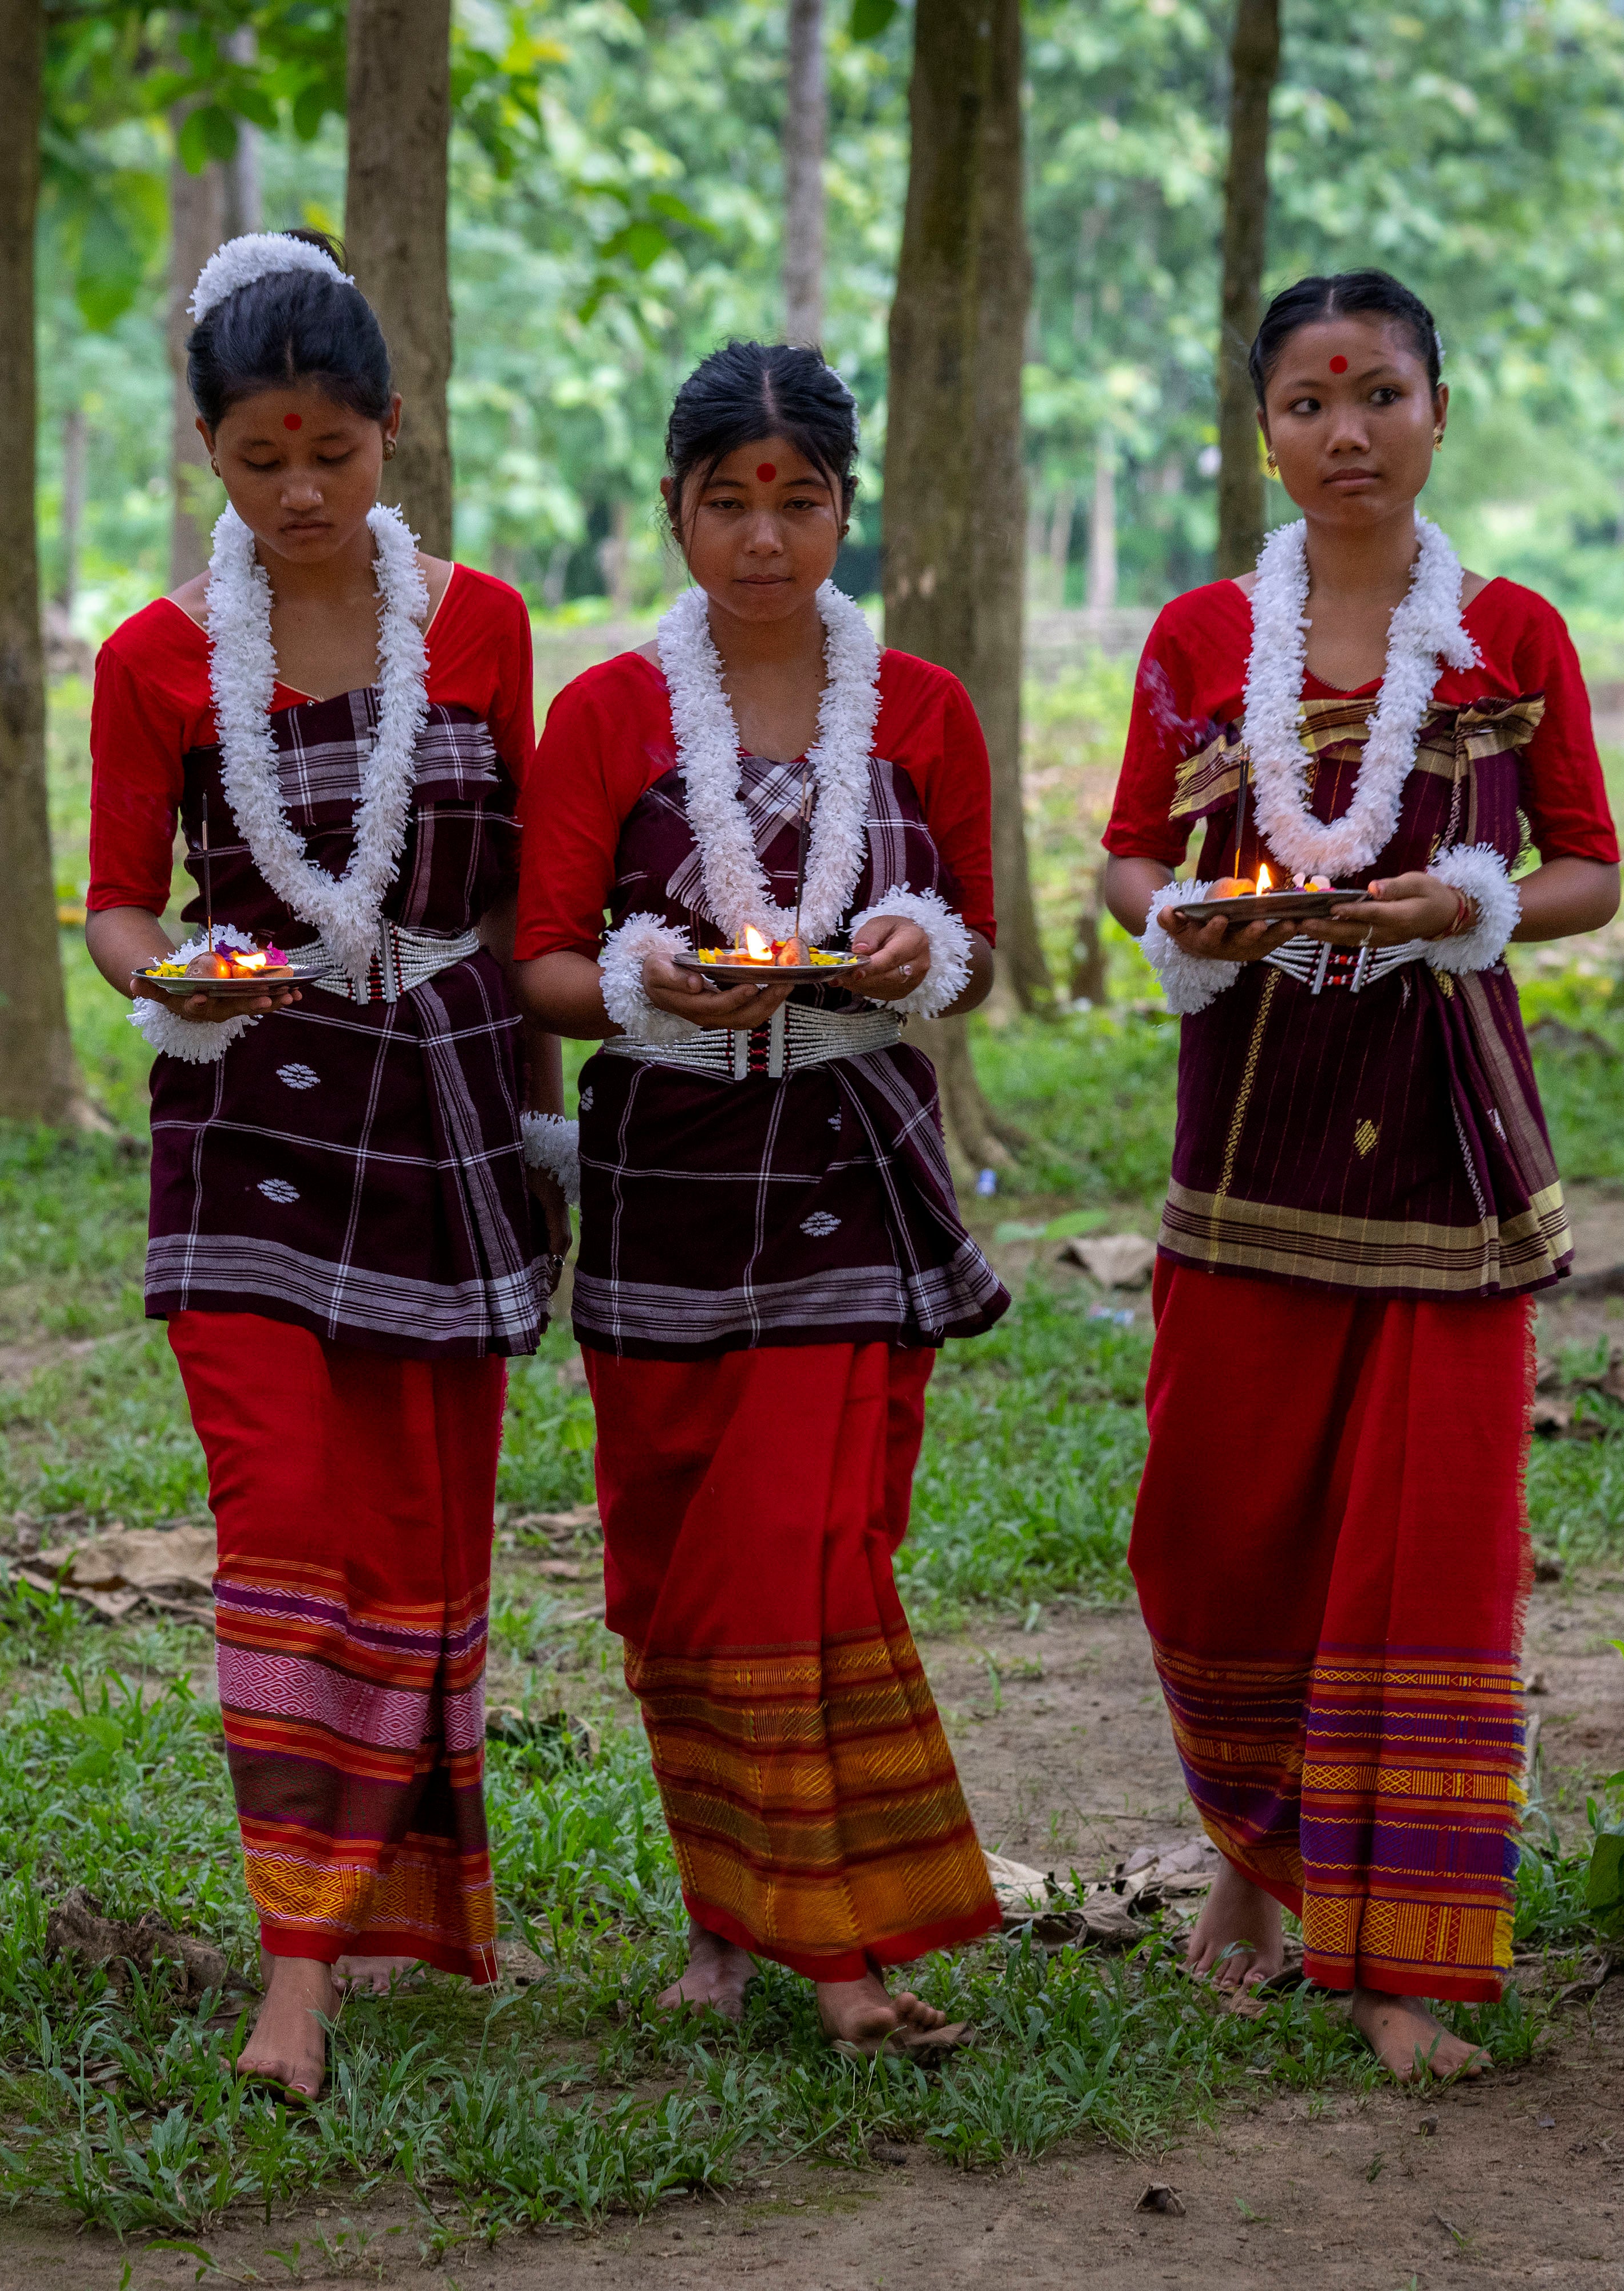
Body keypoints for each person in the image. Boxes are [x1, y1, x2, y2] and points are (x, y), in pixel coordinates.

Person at [1098, 271, 1623, 2082]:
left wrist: (1464, 906)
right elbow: (1121, 864)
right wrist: (1201, 916)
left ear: (1438, 412)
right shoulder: (1192, 640)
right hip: (1248, 1133)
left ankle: (1398, 1962)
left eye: (1382, 395)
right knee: (1213, 1527)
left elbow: (1591, 878)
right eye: (1312, 404)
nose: (1349, 434)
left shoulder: (1512, 638)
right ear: (1265, 431)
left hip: (1450, 1153)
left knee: (1429, 1553)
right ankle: (1254, 1854)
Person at [81, 230, 559, 2101]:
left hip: (444, 1118)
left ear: (388, 436)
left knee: (425, 1536)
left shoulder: (491, 627)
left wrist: (541, 1121)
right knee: (286, 1529)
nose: (300, 493)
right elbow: (121, 907)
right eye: (260, 457)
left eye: (333, 455)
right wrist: (174, 974)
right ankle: (296, 1966)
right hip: (244, 1121)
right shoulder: (155, 661)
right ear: (207, 449)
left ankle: (401, 1916)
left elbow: (522, 893)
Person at [514, 341, 1011, 2056]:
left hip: (851, 1177)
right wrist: (655, 984)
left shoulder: (927, 709)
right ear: (674, 509)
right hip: (663, 1183)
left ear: (845, 510)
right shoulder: (606, 716)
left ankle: (845, 1953)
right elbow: (544, 970)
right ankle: (729, 1920)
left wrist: (911, 948)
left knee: (806, 1557)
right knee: (673, 1571)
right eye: (728, 500)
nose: (764, 536)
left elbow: (982, 959)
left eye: (799, 500)